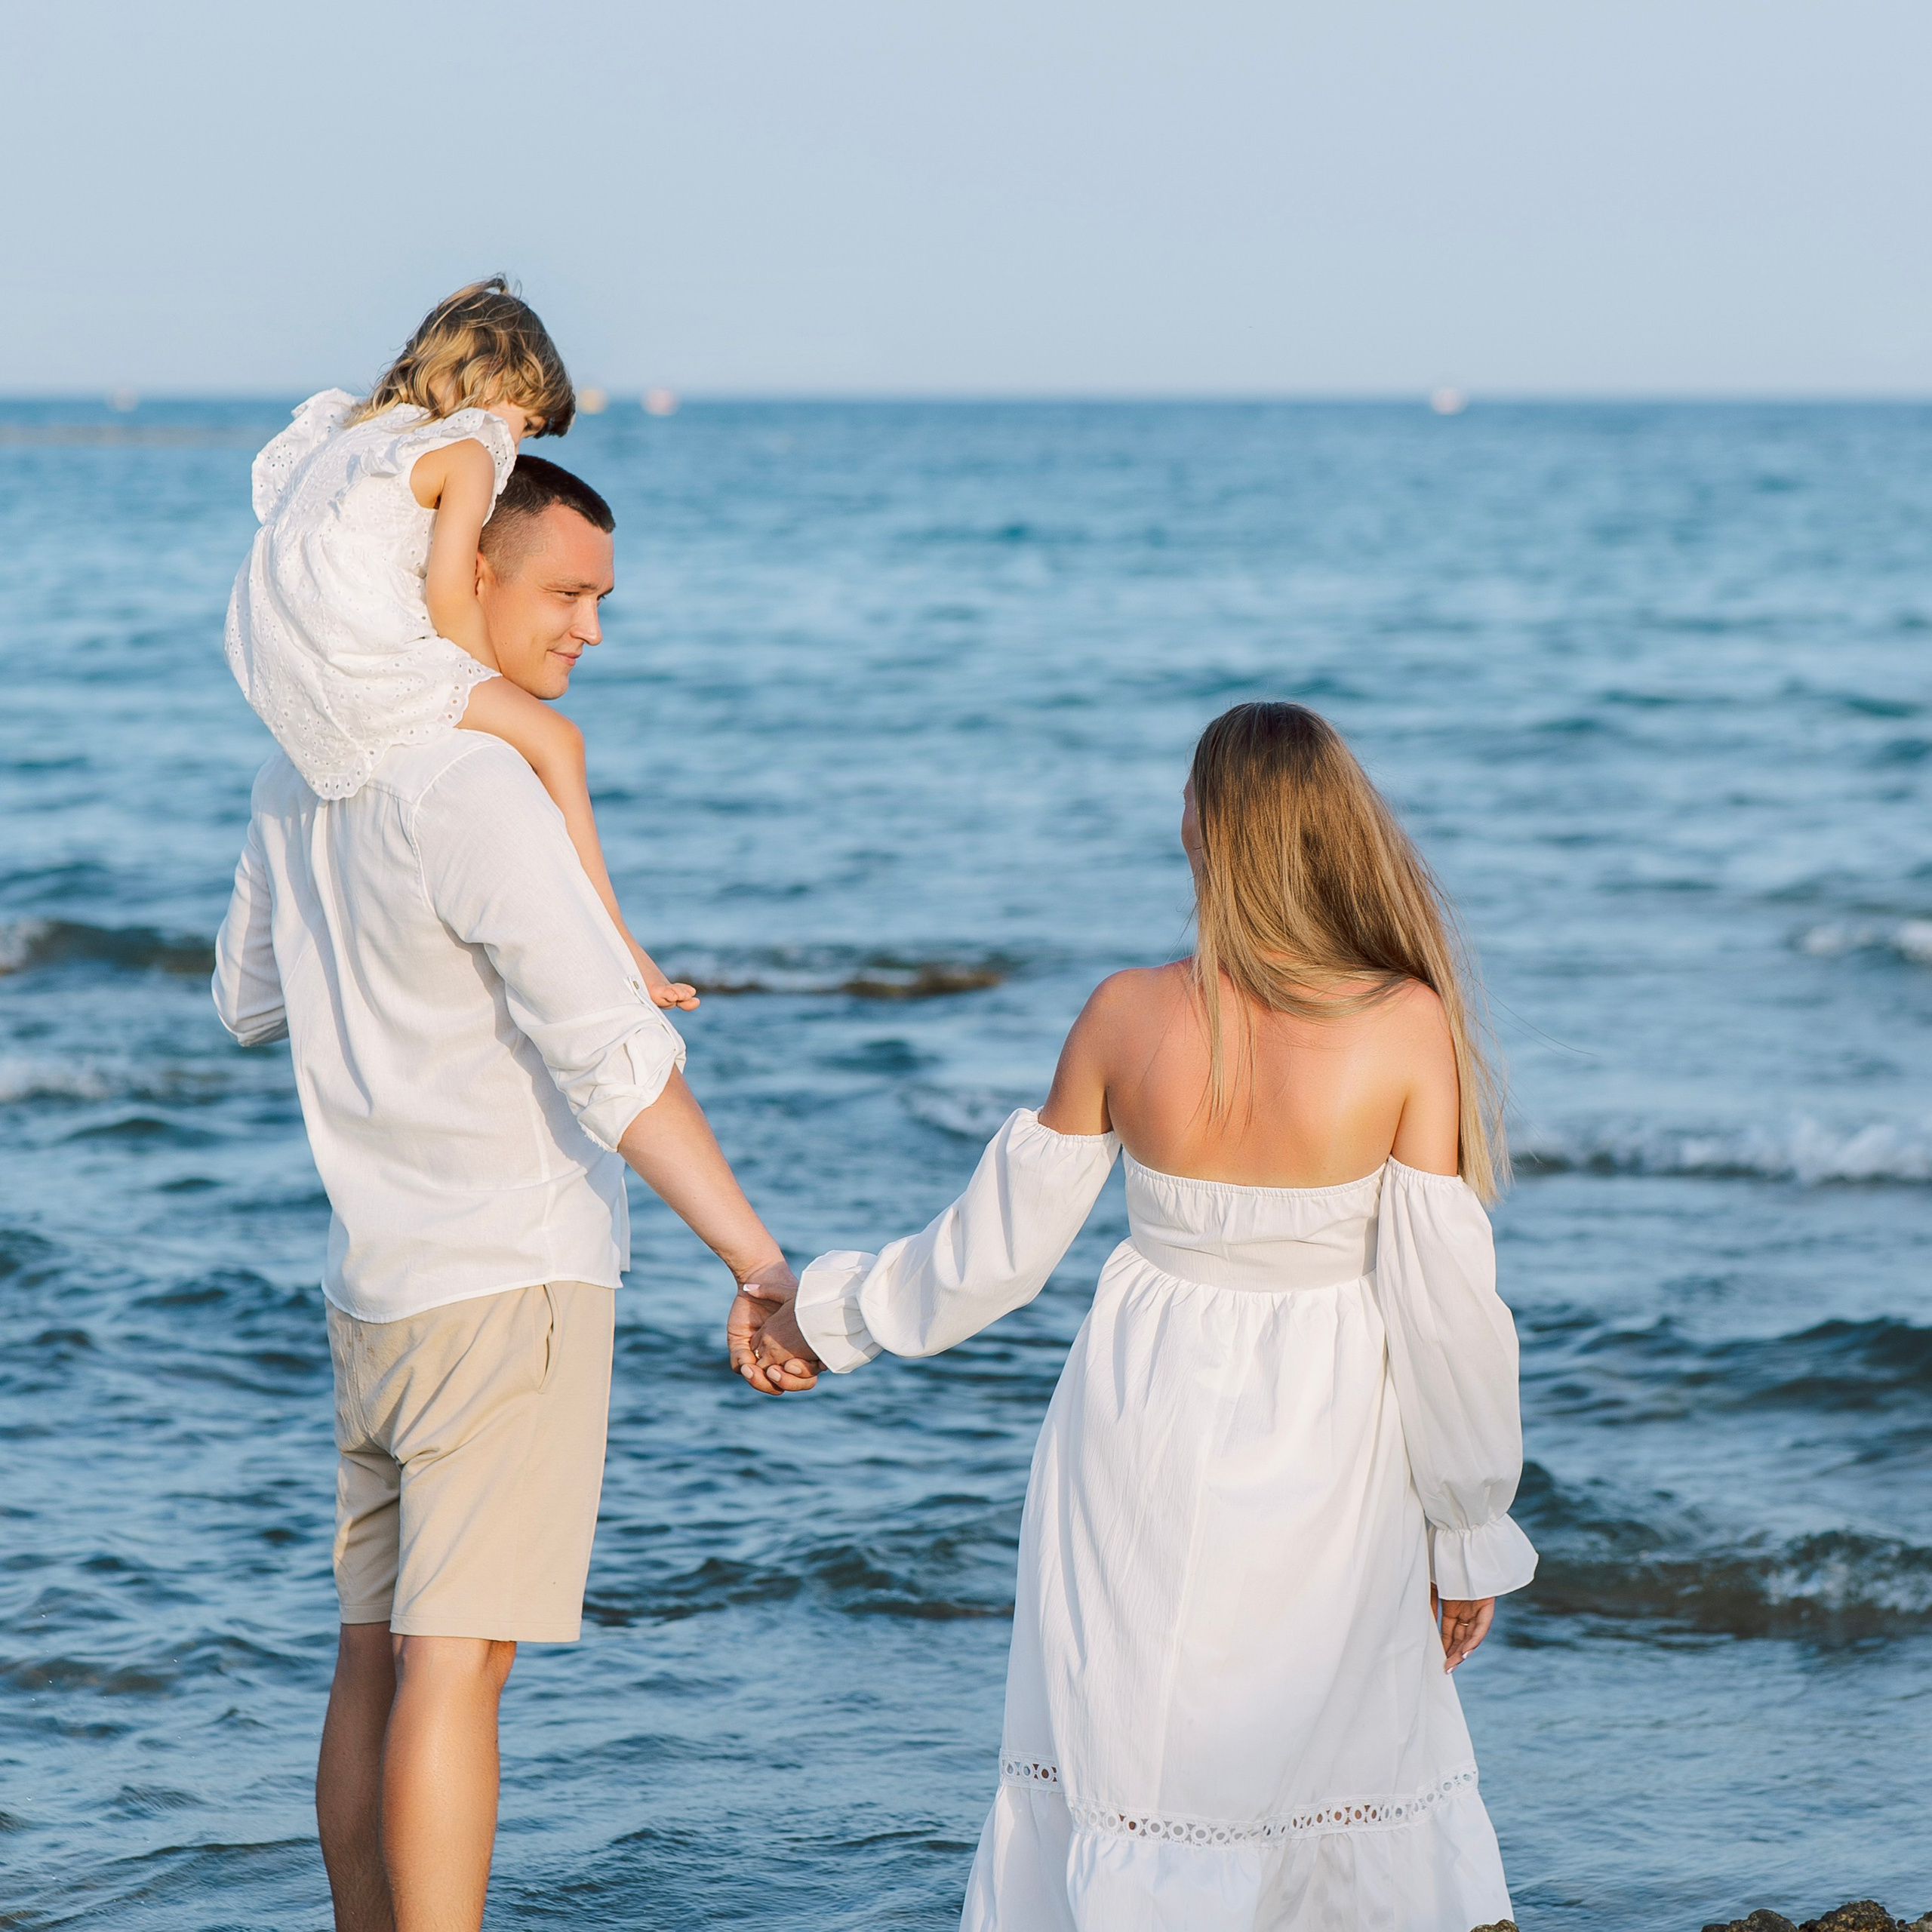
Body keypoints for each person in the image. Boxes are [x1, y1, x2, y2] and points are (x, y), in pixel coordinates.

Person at [752, 701, 1537, 1930]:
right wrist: (1470, 1526)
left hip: (1140, 1422)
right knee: (1325, 1758)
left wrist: (825, 1315)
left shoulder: (1128, 1013)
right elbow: (1450, 1318)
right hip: (1330, 1440)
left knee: (1145, 1749)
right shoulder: (1403, 1023)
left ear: (1204, 831)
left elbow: (990, 1257)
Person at [214, 456, 813, 1932]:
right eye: (563, 591)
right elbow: (615, 1061)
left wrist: (367, 967)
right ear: (460, 568)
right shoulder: (471, 782)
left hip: (375, 1293)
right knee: (459, 1665)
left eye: (601, 599)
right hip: (509, 1282)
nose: (589, 628)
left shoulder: (305, 768)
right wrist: (755, 1256)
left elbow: (242, 998)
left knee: (375, 1656)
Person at [224, 275, 696, 1009]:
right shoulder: (469, 450)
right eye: (527, 424)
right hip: (370, 661)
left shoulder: (351, 438)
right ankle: (623, 947)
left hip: (289, 664)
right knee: (558, 742)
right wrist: (489, 688)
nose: (515, 446)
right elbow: (449, 593)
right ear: (492, 385)